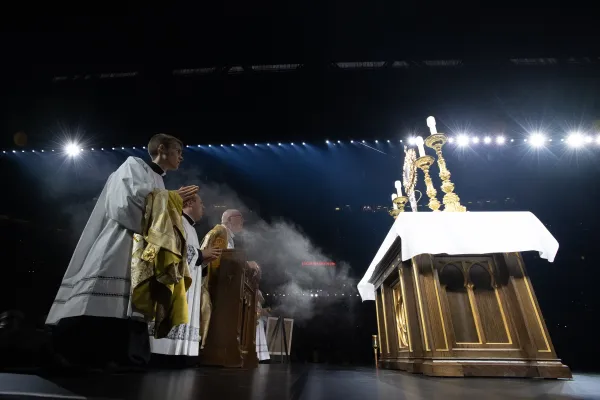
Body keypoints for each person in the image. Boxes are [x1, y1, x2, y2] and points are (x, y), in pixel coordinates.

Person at [46, 133, 198, 370]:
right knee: (107, 300)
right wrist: (171, 199)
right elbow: (126, 203)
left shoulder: (159, 181)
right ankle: (79, 354)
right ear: (161, 149)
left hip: (141, 250)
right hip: (120, 244)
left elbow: (158, 215)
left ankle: (119, 357)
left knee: (130, 307)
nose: (181, 156)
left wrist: (169, 200)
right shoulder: (132, 165)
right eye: (178, 150)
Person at [149, 193, 221, 365]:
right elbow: (172, 249)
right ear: (189, 203)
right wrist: (201, 254)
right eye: (201, 203)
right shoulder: (177, 221)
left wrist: (203, 260)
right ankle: (164, 355)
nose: (203, 208)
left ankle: (180, 355)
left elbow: (191, 259)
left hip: (187, 284)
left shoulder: (192, 229)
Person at [198, 209, 261, 349]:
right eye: (240, 218)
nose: (243, 221)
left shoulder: (228, 235)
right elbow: (218, 260)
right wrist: (246, 264)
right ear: (230, 219)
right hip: (216, 286)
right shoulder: (221, 231)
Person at [255, 291, 270, 363]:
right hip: (255, 324)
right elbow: (256, 313)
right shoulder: (254, 301)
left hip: (259, 323)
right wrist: (262, 311)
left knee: (260, 339)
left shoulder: (259, 303)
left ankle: (260, 357)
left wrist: (264, 311)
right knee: (257, 339)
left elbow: (260, 313)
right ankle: (256, 356)